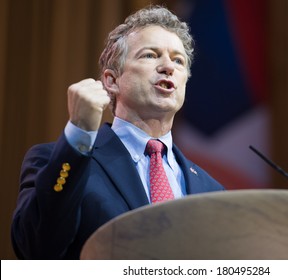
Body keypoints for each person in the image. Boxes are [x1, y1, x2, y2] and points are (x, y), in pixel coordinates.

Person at [11, 5, 225, 260]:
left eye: (178, 60)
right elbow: (35, 249)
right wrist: (79, 133)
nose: (168, 66)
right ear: (111, 81)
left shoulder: (212, 190)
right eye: (150, 55)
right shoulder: (58, 161)